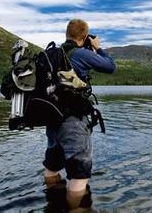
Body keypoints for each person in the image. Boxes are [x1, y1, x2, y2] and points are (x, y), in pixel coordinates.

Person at [42, 19, 115, 210]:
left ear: (67, 34)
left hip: (52, 119)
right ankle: (74, 209)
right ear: (84, 37)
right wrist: (98, 49)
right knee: (78, 174)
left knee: (52, 166)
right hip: (73, 120)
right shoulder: (81, 53)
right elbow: (110, 67)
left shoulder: (52, 53)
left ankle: (53, 203)